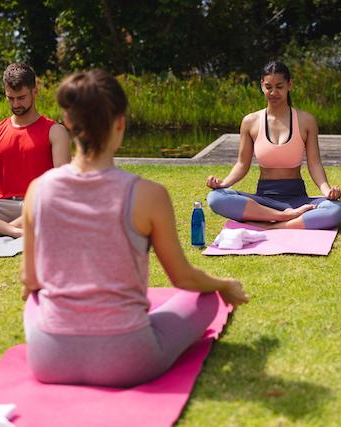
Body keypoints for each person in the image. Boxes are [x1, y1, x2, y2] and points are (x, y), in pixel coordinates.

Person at [20, 70, 248, 387]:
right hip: (126, 358)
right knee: (207, 297)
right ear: (120, 123)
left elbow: (30, 281)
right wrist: (222, 283)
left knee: (35, 301)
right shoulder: (148, 195)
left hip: (49, 358)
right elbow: (182, 277)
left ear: (68, 124)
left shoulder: (37, 190)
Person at [206, 61, 341, 230]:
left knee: (337, 209)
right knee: (216, 198)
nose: (273, 92)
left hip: (297, 199)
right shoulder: (250, 122)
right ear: (261, 86)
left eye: (279, 86)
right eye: (268, 87)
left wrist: (327, 191)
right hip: (264, 200)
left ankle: (274, 226)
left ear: (290, 85)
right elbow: (242, 164)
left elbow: (314, 163)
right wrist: (223, 184)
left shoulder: (306, 121)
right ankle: (284, 217)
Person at [0, 63, 71, 237]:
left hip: (39, 205)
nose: (16, 104)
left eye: (21, 97)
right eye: (11, 98)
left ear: (35, 91)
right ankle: (12, 231)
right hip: (3, 206)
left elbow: (63, 186)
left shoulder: (55, 131)